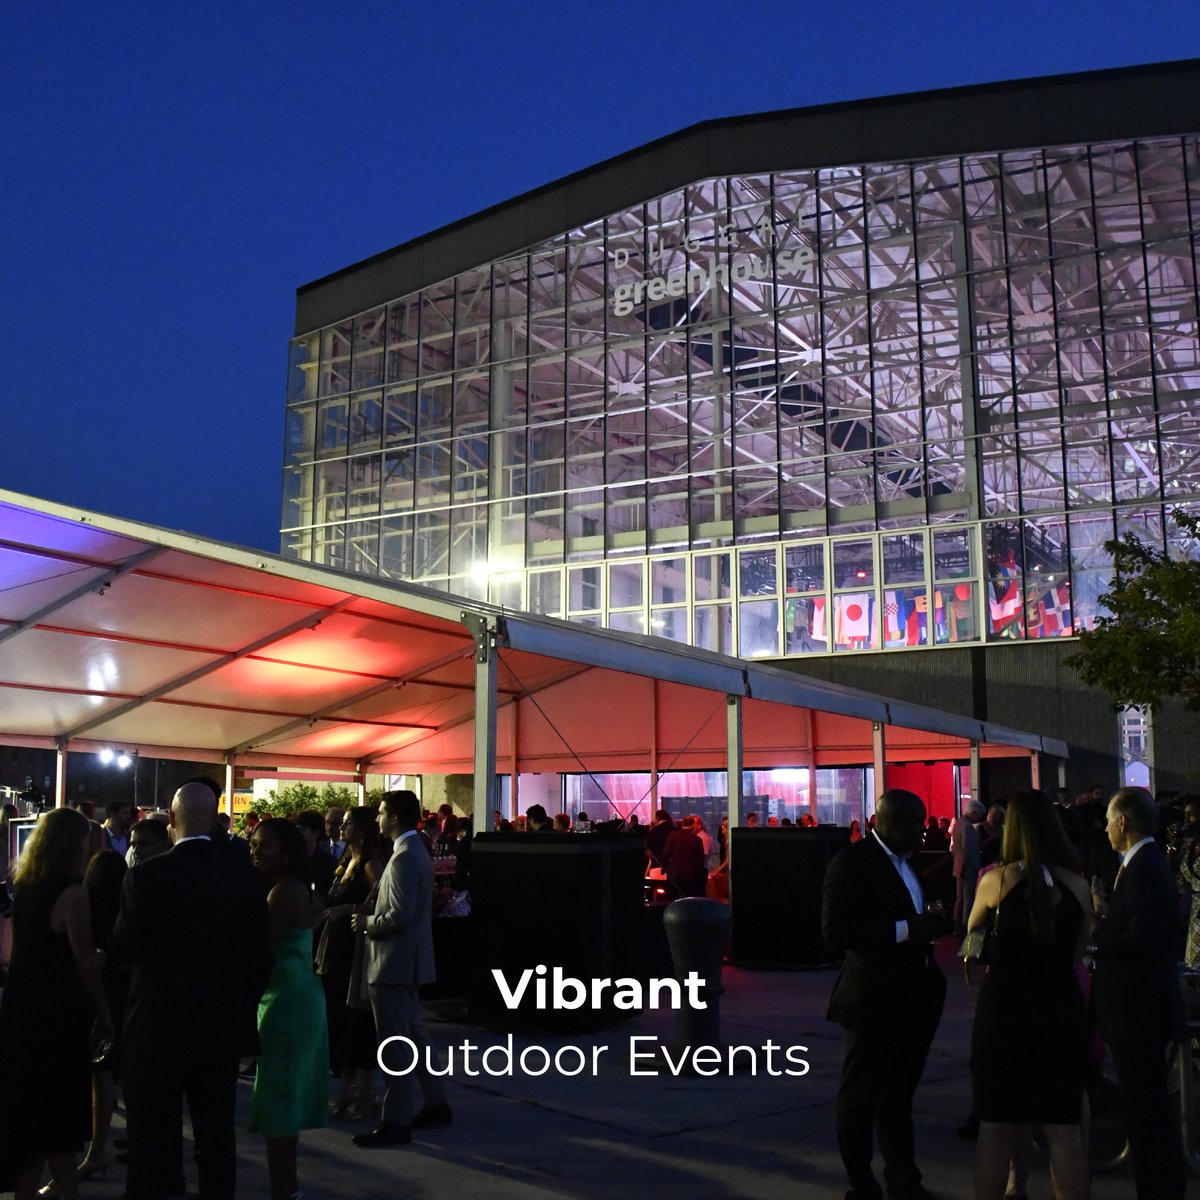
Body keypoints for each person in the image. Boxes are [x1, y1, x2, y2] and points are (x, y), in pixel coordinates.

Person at [113, 782, 273, 1200]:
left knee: (153, 1138)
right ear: (215, 816)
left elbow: (122, 950)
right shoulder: (243, 876)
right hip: (219, 1027)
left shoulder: (145, 876)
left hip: (156, 1025)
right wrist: (241, 1007)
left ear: (171, 819)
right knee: (216, 1135)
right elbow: (261, 956)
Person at [822, 788, 948, 1200]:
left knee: (898, 1096)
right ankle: (861, 1183)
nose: (921, 832)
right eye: (914, 824)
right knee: (860, 1097)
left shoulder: (907, 863)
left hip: (915, 996)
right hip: (873, 999)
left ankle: (904, 1180)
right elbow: (836, 933)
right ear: (888, 822)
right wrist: (908, 929)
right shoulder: (853, 863)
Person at [967, 790, 1091, 1200]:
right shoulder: (1077, 885)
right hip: (1059, 1005)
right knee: (1063, 1126)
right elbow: (1076, 952)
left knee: (996, 1123)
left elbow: (971, 940)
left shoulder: (995, 881)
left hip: (1004, 1007)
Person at [0, 807, 113, 1200]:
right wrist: (106, 1015)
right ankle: (67, 1191)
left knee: (30, 1121)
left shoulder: (27, 885)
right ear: (73, 843)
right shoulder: (73, 892)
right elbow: (84, 963)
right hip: (57, 1017)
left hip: (21, 1010)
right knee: (60, 1121)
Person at [1090, 786, 1186, 1200]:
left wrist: (1097, 933)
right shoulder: (1141, 863)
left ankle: (1159, 1189)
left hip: (1138, 1011)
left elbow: (1142, 938)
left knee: (1146, 1110)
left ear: (1123, 823)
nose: (1107, 830)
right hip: (1138, 1007)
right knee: (1146, 1107)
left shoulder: (1144, 866)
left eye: (1110, 822)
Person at [351, 790, 452, 1147]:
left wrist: (366, 924)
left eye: (381, 813)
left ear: (394, 818)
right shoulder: (414, 853)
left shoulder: (405, 857)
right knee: (417, 1039)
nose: (377, 819)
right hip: (408, 962)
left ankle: (396, 1120)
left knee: (395, 1045)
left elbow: (398, 915)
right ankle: (435, 1102)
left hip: (394, 963)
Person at [249, 819, 329, 1200]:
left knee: (279, 1103)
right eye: (253, 844)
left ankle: (285, 1191)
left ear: (286, 851)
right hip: (296, 995)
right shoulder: (296, 889)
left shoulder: (281, 893)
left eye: (264, 846)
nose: (255, 852)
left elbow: (255, 946)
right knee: (283, 1101)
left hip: (288, 1003)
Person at [318, 805, 385, 1119]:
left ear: (360, 828)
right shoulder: (347, 859)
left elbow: (383, 903)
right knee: (342, 1021)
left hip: (357, 950)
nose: (339, 827)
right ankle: (346, 1090)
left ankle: (366, 1091)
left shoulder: (370, 863)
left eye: (345, 823)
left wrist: (348, 910)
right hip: (338, 948)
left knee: (359, 1022)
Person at [79, 849, 129, 1183]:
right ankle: (98, 1147)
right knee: (106, 1076)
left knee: (96, 1075)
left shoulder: (84, 911)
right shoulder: (126, 912)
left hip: (90, 999)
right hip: (120, 995)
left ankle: (94, 1150)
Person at [1170, 795, 1200, 965]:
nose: (1187, 820)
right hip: (1193, 910)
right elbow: (1171, 871)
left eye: (1192, 815)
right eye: (1185, 815)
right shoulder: (1189, 844)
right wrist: (1173, 845)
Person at [951, 801, 985, 940]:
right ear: (974, 812)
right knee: (968, 900)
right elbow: (969, 852)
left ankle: (956, 927)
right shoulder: (968, 828)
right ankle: (966, 928)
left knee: (959, 900)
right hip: (968, 868)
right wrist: (978, 867)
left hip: (958, 867)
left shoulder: (959, 823)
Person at [661, 815, 707, 898]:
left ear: (682, 824)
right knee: (687, 901)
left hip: (673, 874)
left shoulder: (672, 836)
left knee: (672, 899)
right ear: (693, 825)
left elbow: (665, 854)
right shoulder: (697, 840)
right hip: (689, 876)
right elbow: (700, 862)